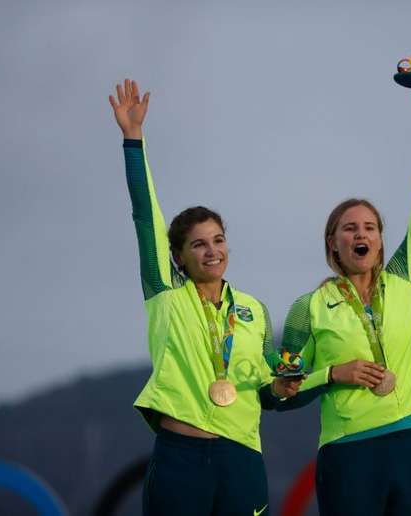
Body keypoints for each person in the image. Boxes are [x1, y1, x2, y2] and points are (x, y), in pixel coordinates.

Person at [109, 79, 300, 516]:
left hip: (242, 457)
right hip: (182, 456)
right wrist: (133, 139)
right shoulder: (166, 295)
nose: (212, 251)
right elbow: (144, 213)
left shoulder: (252, 309)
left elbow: (265, 383)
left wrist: (280, 386)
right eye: (198, 244)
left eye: (218, 240)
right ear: (178, 256)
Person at [278, 78, 411, 515]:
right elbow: (282, 391)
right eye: (350, 228)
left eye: (370, 227)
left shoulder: (405, 278)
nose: (361, 233)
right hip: (348, 453)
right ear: (332, 244)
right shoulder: (308, 308)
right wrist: (334, 374)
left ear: (380, 241)